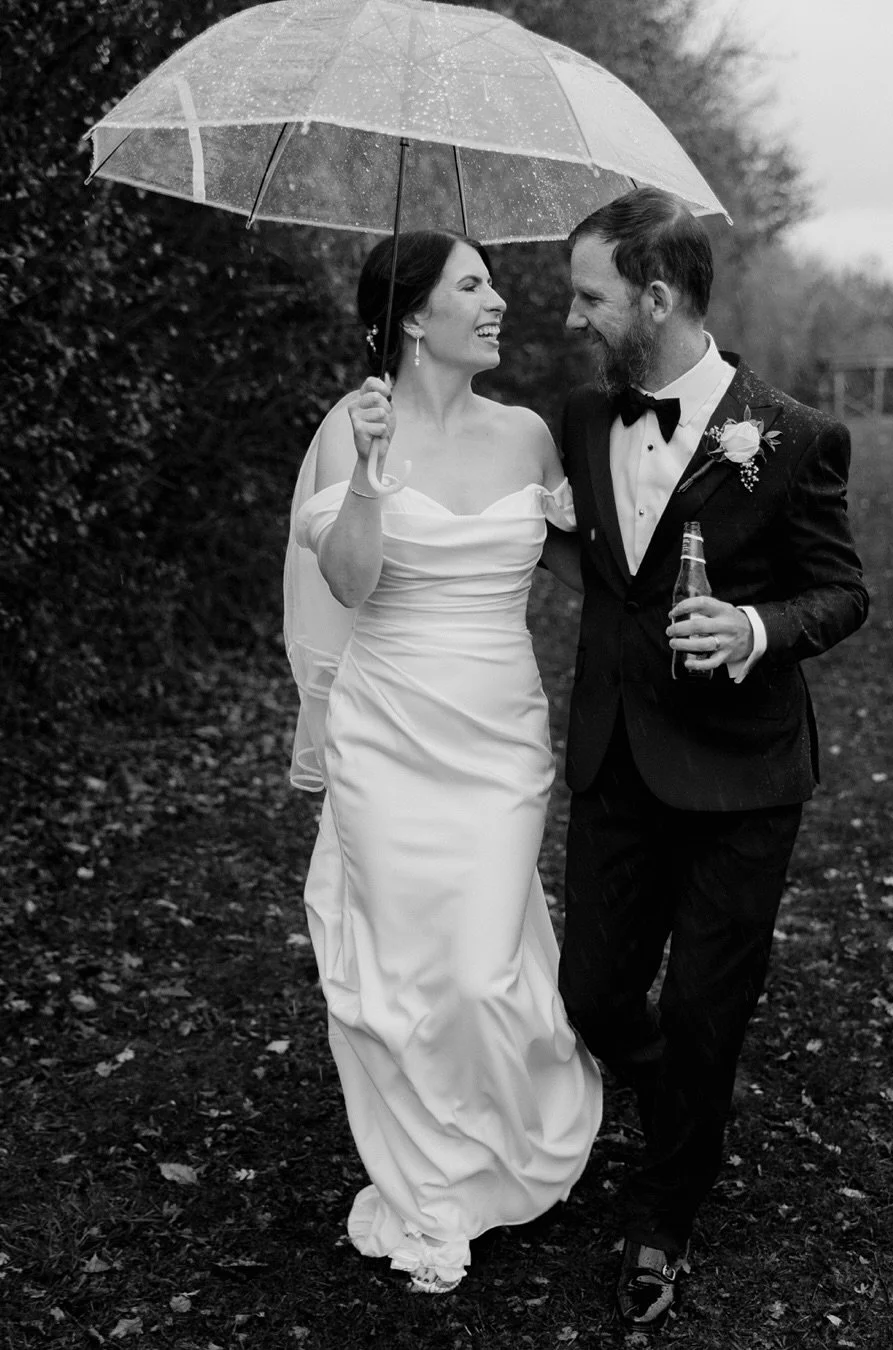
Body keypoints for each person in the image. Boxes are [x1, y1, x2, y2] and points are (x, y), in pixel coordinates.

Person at [555, 187, 869, 1330]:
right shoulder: (584, 423)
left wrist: (754, 631)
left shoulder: (789, 435)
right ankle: (669, 1092)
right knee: (590, 992)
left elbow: (843, 590)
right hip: (616, 763)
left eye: (592, 296)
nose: (576, 317)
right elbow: (585, 554)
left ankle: (666, 1212)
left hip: (743, 776)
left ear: (658, 296)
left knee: (705, 1007)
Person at [283, 230, 602, 1296]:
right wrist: (371, 478)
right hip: (387, 731)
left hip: (498, 734)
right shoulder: (352, 425)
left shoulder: (526, 436)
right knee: (395, 973)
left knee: (477, 969)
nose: (501, 300)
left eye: (494, 282)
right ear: (414, 317)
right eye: (475, 284)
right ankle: (426, 1187)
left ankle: (512, 1136)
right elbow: (350, 581)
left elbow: (588, 572)